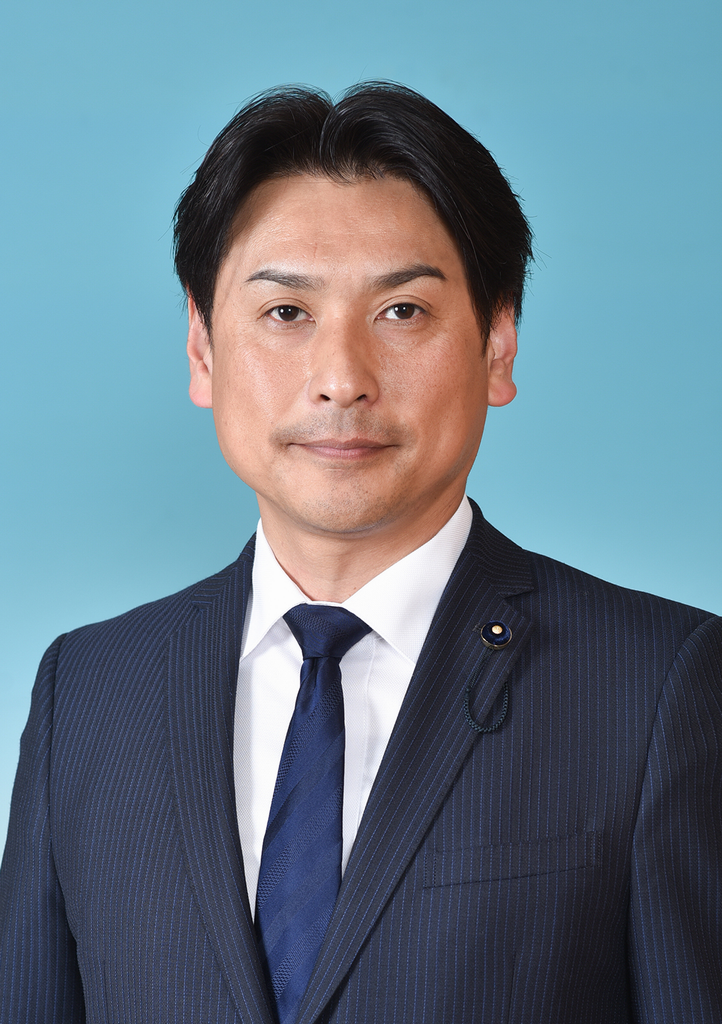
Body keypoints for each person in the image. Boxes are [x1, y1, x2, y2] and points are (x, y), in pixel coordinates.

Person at [0, 82, 720, 1024]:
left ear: (497, 344)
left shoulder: (657, 687)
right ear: (202, 350)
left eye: (403, 311)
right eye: (286, 313)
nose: (341, 380)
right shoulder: (88, 694)